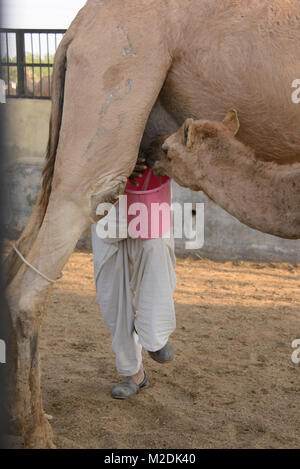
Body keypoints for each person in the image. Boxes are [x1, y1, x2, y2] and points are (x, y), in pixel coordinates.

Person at [91, 156, 177, 399]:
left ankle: (154, 334)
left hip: (150, 191)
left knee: (156, 253)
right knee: (110, 289)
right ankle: (134, 374)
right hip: (104, 192)